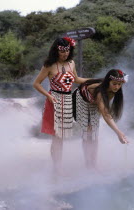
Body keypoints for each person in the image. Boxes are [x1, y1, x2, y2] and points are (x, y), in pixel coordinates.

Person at [33, 37, 88, 172]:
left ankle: (58, 167)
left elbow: (76, 79)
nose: (65, 54)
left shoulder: (71, 63)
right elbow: (36, 83)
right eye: (62, 51)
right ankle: (57, 169)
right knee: (57, 137)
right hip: (55, 100)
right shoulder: (49, 65)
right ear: (56, 51)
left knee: (62, 136)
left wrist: (96, 80)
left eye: (67, 51)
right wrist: (48, 96)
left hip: (67, 100)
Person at [72, 69, 129, 169]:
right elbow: (106, 114)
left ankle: (93, 163)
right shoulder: (99, 91)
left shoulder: (114, 90)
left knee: (94, 132)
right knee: (88, 131)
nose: (117, 87)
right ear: (108, 82)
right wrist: (118, 132)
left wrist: (118, 132)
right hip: (81, 100)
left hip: (94, 102)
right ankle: (88, 164)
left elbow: (105, 111)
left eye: (119, 84)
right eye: (114, 84)